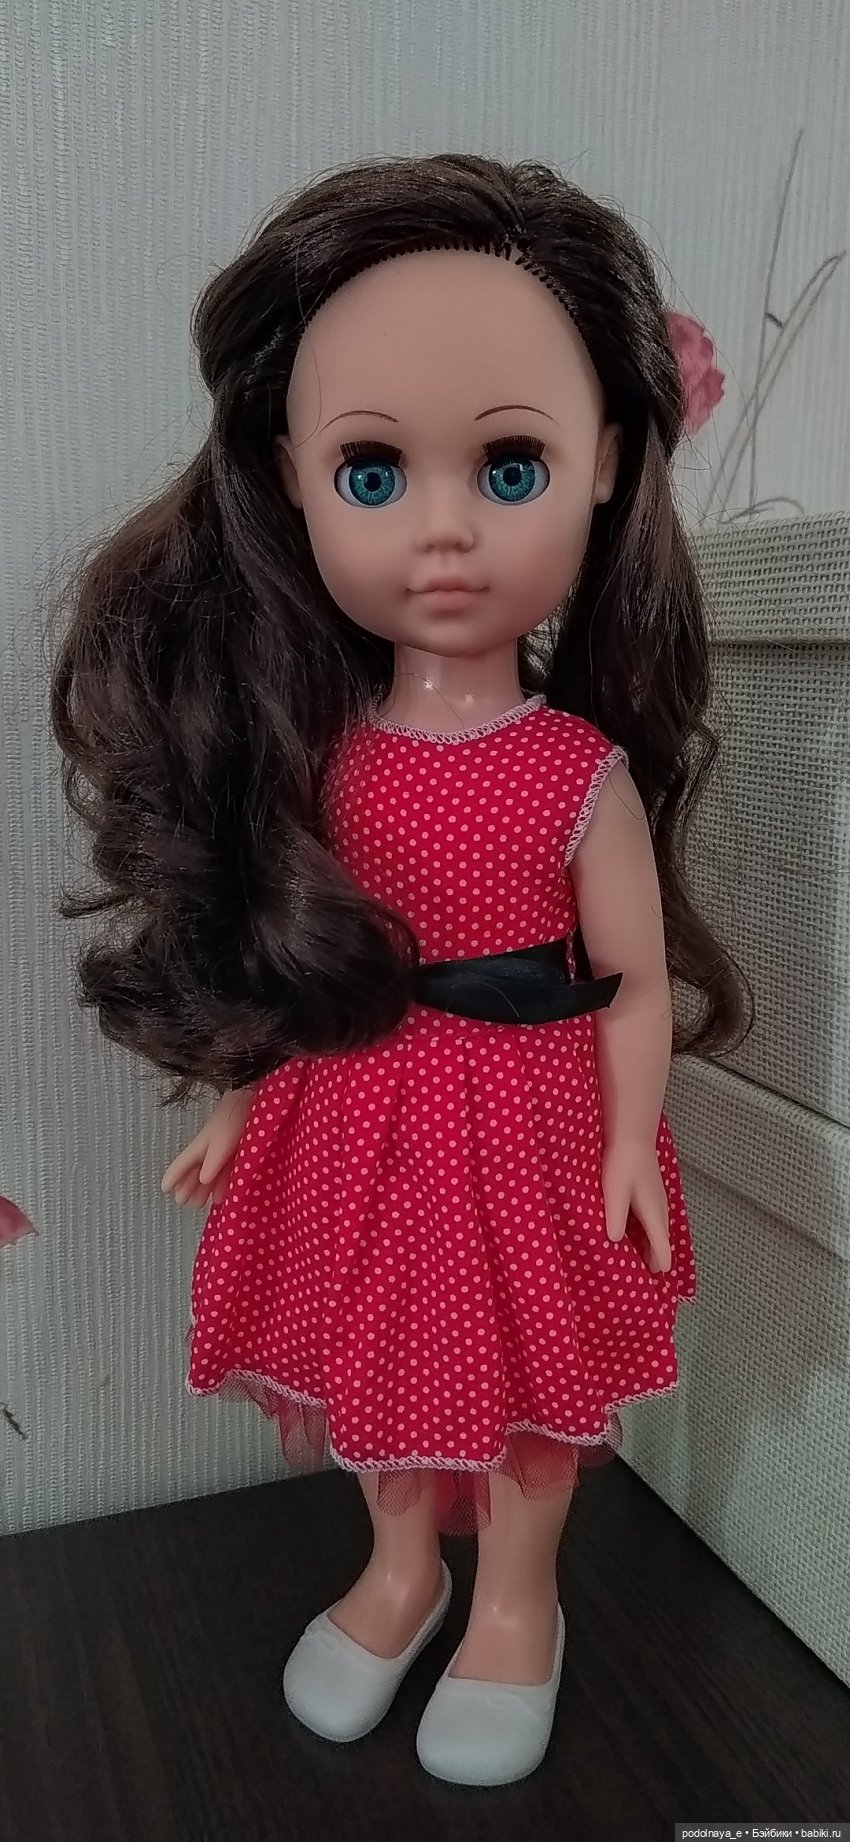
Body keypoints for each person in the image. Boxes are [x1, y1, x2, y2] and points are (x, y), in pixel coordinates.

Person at [50, 153, 751, 1787]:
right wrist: (238, 1095)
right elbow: (290, 943)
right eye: (373, 471)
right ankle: (398, 1572)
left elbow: (628, 978)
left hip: (530, 1116)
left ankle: (513, 1601)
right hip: (356, 1103)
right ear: (289, 479)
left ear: (602, 464)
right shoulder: (315, 756)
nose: (442, 528)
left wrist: (627, 1136)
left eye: (508, 466)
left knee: (526, 1384)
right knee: (378, 1356)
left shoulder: (573, 768)